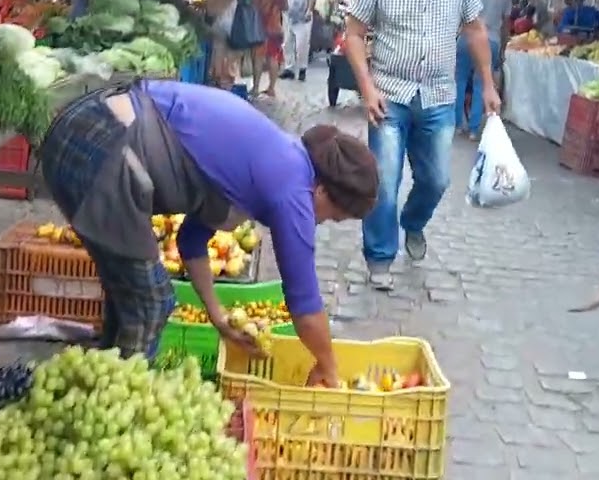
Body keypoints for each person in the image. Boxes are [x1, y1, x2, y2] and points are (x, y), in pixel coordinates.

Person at [37, 77, 379, 387]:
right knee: (151, 302)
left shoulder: (274, 157)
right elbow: (304, 303)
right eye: (332, 217)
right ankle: (119, 406)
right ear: (322, 191)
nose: (319, 223)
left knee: (128, 295)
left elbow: (191, 240)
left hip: (89, 128)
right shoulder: (292, 188)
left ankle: (100, 387)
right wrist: (328, 366)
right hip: (99, 142)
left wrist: (217, 315)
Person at [344, 0, 499, 290]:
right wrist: (367, 88)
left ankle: (413, 222)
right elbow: (354, 33)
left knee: (437, 180)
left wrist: (488, 84)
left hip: (439, 98)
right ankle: (380, 257)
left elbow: (475, 30)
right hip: (389, 96)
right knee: (385, 182)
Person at [457, 0, 512, 139]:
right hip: (492, 39)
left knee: (460, 80)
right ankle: (474, 129)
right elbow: (506, 23)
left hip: (467, 37)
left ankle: (458, 124)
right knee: (482, 83)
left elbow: (459, 14)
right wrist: (503, 47)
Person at [252, 0, 289, 97]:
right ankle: (271, 87)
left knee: (258, 58)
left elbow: (253, 8)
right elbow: (285, 7)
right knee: (273, 57)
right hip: (276, 28)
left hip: (259, 28)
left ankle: (255, 88)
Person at [279, 0, 316, 82]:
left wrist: (309, 11)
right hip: (288, 16)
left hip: (302, 17)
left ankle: (302, 69)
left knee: (301, 45)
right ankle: (289, 68)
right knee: (287, 43)